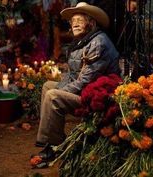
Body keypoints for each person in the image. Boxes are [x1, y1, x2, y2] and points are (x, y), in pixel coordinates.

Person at [35, 2, 121, 148]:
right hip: (84, 89)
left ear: (91, 23)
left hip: (96, 95)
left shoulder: (98, 42)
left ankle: (50, 142)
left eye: (79, 20)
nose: (75, 24)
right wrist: (61, 86)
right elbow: (72, 75)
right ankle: (53, 134)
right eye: (73, 21)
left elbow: (85, 81)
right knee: (47, 86)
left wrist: (60, 91)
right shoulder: (82, 41)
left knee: (53, 95)